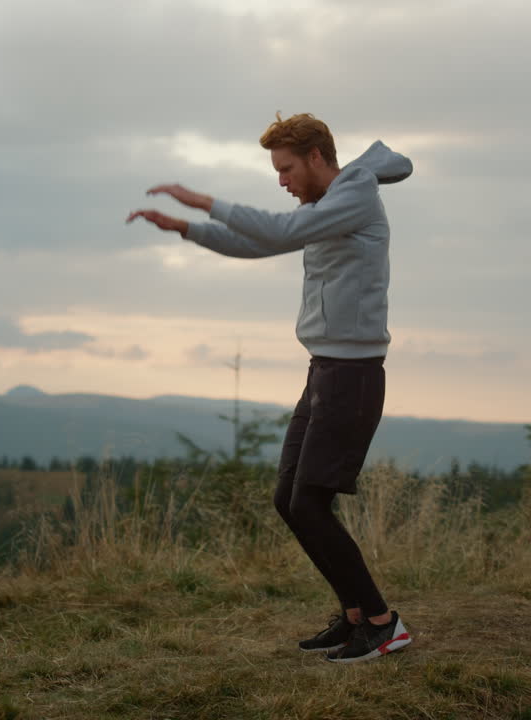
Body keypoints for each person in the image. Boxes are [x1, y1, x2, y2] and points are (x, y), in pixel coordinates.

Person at [126, 112, 412, 663]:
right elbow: (261, 244)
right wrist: (184, 228)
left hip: (352, 375)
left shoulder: (356, 196)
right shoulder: (328, 208)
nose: (281, 181)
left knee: (309, 504)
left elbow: (278, 232)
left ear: (315, 157)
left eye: (286, 169)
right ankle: (356, 616)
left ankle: (382, 623)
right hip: (325, 369)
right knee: (289, 499)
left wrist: (202, 201)